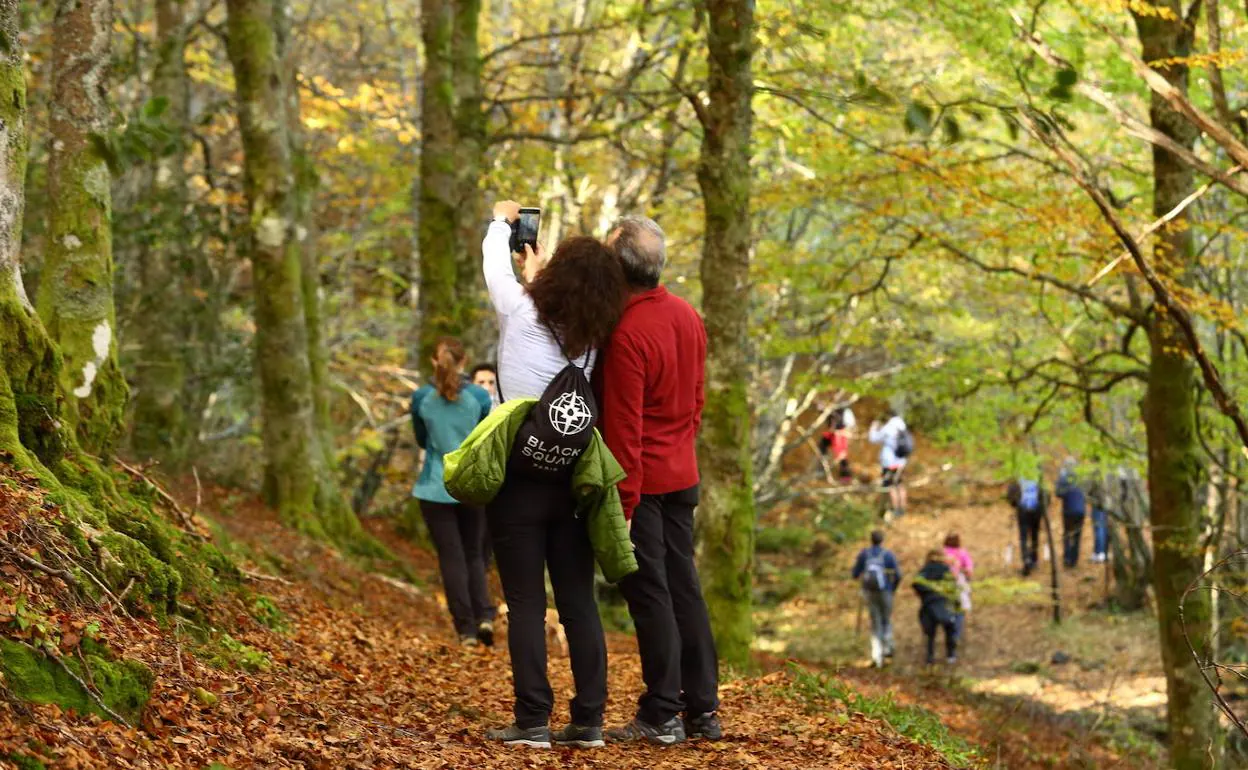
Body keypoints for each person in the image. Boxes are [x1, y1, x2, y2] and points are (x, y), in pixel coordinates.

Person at [478, 200, 632, 750]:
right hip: (573, 481)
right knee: (577, 603)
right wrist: (540, 277)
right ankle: (589, 721)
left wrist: (501, 222)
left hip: (519, 479)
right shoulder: (594, 339)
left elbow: (495, 269)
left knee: (524, 603)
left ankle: (532, 722)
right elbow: (564, 308)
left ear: (556, 276)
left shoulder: (520, 311)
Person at [594, 216, 721, 746]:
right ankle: (703, 710)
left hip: (643, 482)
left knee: (652, 593)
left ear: (618, 268)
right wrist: (681, 448)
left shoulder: (626, 334)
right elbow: (696, 401)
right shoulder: (688, 316)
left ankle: (662, 712)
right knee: (684, 588)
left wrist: (622, 508)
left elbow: (624, 432)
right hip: (680, 472)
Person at [410, 338, 495, 646]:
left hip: (434, 487)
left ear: (435, 362)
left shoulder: (421, 398)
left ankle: (466, 629)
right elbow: (487, 437)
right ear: (465, 361)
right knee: (474, 554)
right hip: (471, 485)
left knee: (451, 558)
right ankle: (485, 615)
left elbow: (422, 440)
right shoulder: (479, 398)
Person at [850, 530, 901, 667]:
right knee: (886, 619)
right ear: (882, 540)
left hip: (869, 593)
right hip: (886, 592)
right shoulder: (888, 555)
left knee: (875, 622)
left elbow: (855, 573)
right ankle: (887, 647)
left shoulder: (864, 554)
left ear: (871, 539)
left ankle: (876, 656)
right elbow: (898, 575)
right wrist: (892, 588)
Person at [913, 549, 960, 665]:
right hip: (944, 604)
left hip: (929, 605)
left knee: (930, 634)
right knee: (950, 629)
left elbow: (916, 584)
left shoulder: (924, 570)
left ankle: (929, 657)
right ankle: (951, 655)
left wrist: (926, 594)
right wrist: (956, 603)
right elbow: (953, 587)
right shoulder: (946, 570)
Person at [868, 408, 910, 518]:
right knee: (899, 485)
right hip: (901, 462)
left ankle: (895, 509)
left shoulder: (888, 428)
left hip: (889, 462)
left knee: (890, 486)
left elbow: (873, 438)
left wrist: (873, 427)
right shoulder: (902, 426)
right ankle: (902, 508)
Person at [1006, 477, 1048, 576]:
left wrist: (1015, 504)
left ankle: (1026, 560)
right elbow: (1046, 495)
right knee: (1034, 535)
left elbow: (1010, 495)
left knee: (1024, 537)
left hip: (1023, 510)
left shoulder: (1018, 478)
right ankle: (1034, 559)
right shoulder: (1038, 478)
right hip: (1036, 510)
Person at [1055, 458, 1087, 568]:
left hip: (1068, 510)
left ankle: (1067, 557)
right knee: (1077, 535)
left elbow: (1058, 493)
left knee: (1067, 534)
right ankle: (1074, 559)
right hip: (1080, 510)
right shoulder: (1082, 478)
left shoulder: (1064, 478)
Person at [943, 533, 973, 634]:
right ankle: (960, 627)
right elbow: (969, 568)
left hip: (946, 582)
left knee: (949, 604)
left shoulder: (942, 553)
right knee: (962, 602)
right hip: (960, 580)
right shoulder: (962, 553)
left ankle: (950, 624)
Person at [818, 405, 856, 483]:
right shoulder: (832, 409)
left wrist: (841, 433)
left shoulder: (846, 411)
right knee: (822, 446)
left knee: (841, 456)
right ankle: (823, 466)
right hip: (833, 434)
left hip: (840, 435)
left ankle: (846, 476)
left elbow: (851, 428)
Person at [1085, 464, 1111, 564]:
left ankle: (1100, 553)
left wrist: (1092, 501)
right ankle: (1101, 552)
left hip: (1099, 506)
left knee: (1099, 529)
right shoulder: (1110, 471)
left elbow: (1087, 492)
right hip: (1108, 506)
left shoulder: (1096, 473)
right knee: (1104, 529)